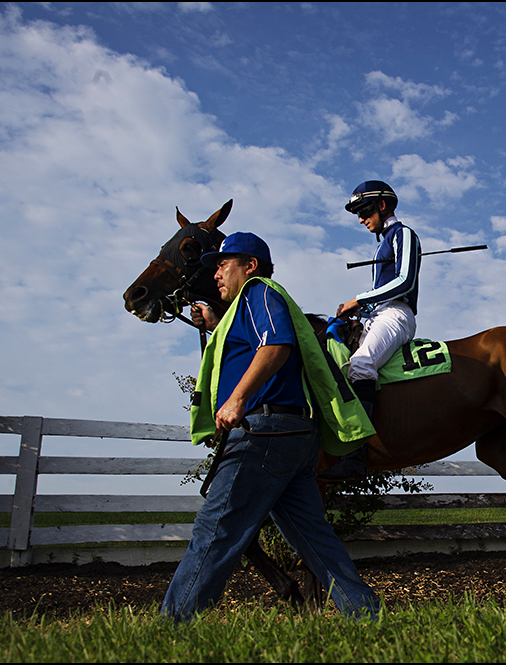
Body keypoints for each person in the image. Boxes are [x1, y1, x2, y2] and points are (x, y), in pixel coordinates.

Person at [160, 231, 379, 623]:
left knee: (216, 529)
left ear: (250, 265)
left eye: (222, 265)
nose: (215, 275)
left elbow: (275, 346)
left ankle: (174, 624)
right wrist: (214, 324)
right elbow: (250, 346)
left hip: (264, 431)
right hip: (291, 435)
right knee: (313, 537)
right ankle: (365, 614)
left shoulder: (260, 292)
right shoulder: (249, 306)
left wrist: (237, 398)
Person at [319, 180, 422, 481]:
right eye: (358, 214)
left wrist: (359, 298)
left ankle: (355, 457)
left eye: (364, 211)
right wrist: (358, 309)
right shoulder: (382, 242)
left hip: (397, 315)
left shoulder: (403, 234)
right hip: (377, 316)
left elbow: (405, 282)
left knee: (361, 363)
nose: (361, 219)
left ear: (381, 205)